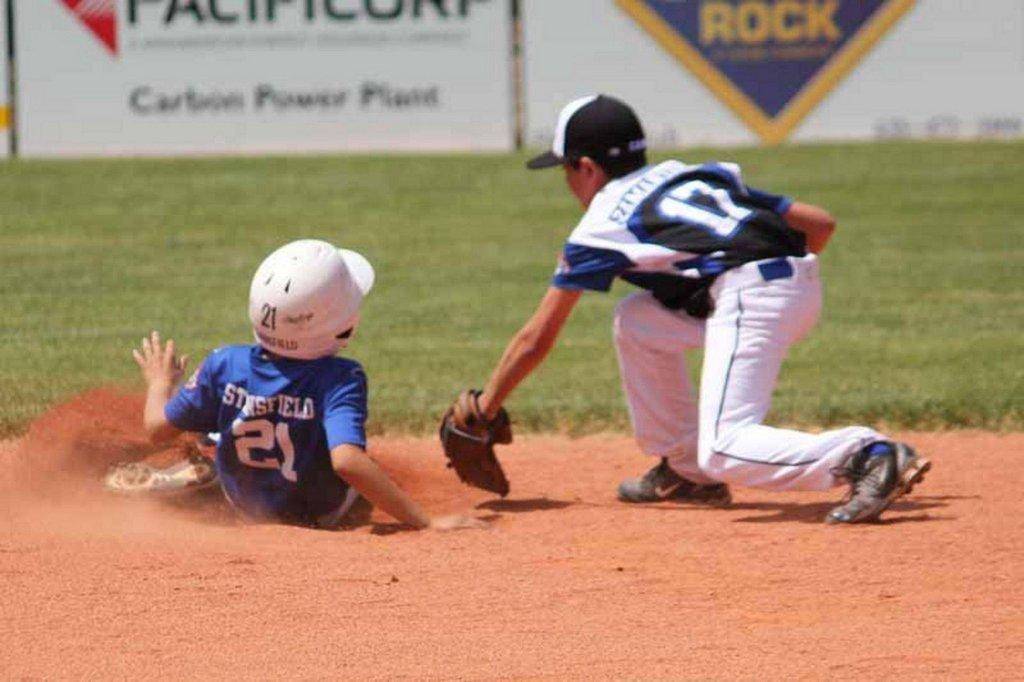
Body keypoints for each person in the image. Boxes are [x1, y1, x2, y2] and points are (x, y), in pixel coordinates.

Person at [462, 95, 929, 524]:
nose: (566, 182)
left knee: (725, 447)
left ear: (587, 167)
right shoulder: (690, 174)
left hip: (749, 293)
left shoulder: (599, 225)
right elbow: (820, 226)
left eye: (566, 169)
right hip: (786, 283)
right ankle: (688, 473)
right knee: (638, 320)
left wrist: (485, 407)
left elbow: (537, 338)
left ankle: (867, 455)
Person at [129, 239, 483, 531]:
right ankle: (209, 467)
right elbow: (347, 461)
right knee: (343, 451)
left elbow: (156, 428)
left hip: (243, 506)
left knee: (225, 423)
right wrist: (425, 522)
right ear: (339, 322)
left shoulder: (223, 363)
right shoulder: (341, 377)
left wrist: (160, 382)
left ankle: (206, 473)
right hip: (324, 515)